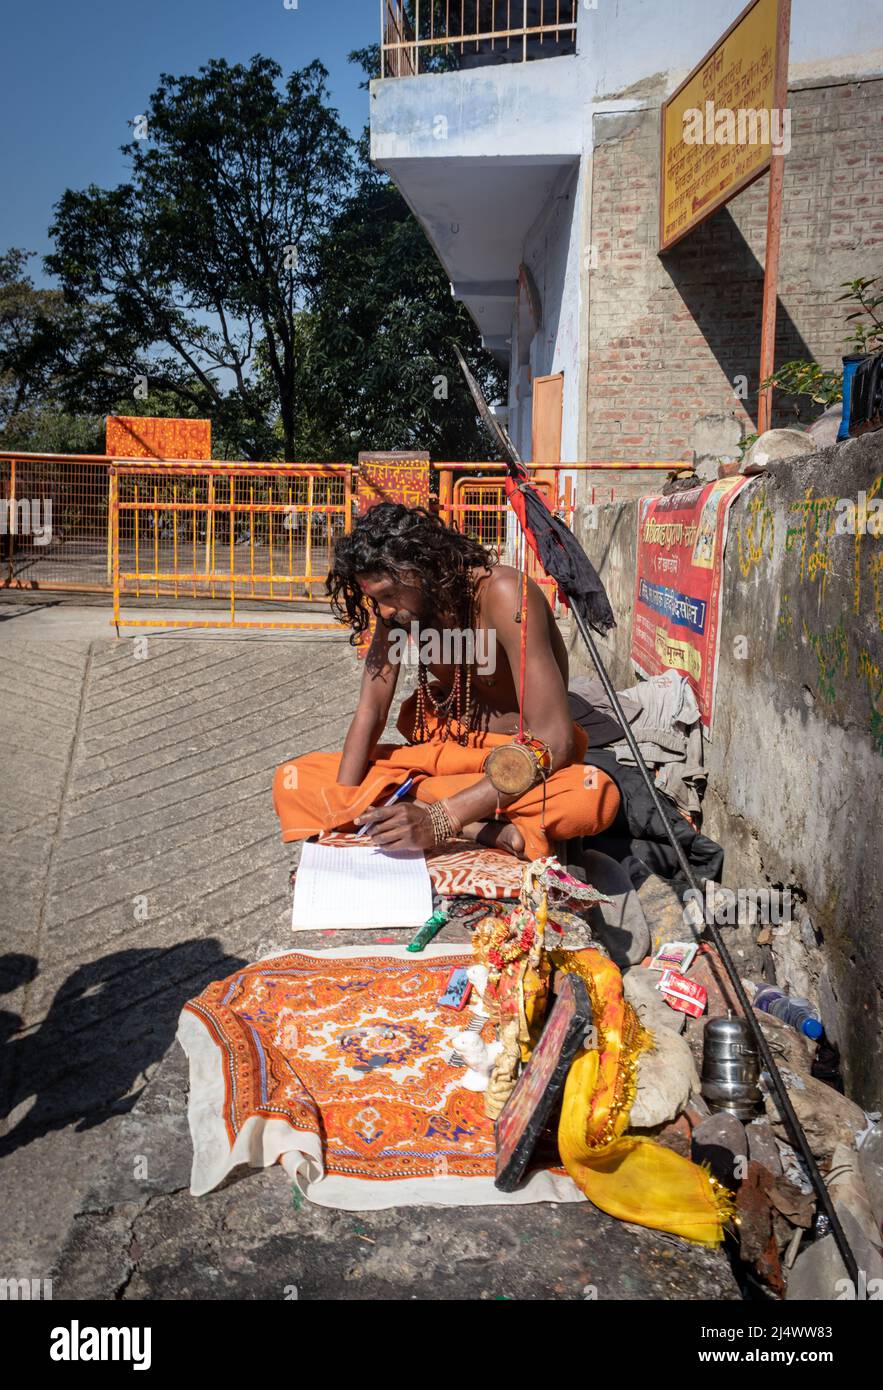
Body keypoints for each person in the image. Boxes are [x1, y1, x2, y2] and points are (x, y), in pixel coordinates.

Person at [272, 503, 620, 861]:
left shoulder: (503, 593)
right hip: (443, 757)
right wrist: (341, 805)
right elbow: (372, 709)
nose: (384, 611)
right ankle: (481, 827)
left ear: (423, 568)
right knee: (295, 779)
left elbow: (556, 741)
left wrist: (440, 819)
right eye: (375, 600)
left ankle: (429, 806)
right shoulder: (397, 616)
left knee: (589, 796)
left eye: (389, 595)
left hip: (513, 762)